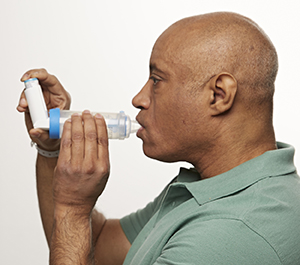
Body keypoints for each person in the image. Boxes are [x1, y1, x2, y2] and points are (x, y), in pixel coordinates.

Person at [17, 11, 300, 265]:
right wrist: (51, 150)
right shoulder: (215, 187)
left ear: (219, 95)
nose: (139, 99)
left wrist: (73, 208)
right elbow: (99, 247)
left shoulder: (232, 232)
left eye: (156, 80)